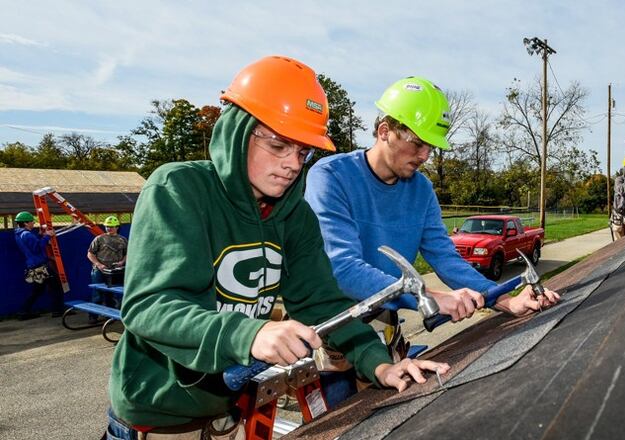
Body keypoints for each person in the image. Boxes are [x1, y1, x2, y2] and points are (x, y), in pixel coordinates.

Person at [106, 57, 448, 440]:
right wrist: (249, 335)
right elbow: (148, 306)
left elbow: (323, 301)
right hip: (157, 414)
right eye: (278, 144)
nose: (291, 164)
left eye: (302, 153)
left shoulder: (294, 216)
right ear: (239, 130)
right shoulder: (179, 190)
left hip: (224, 411)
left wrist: (379, 365)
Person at [304, 76, 560, 408]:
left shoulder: (421, 190)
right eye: (418, 143)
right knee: (346, 423)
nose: (425, 155)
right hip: (337, 329)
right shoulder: (331, 177)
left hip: (384, 323)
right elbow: (342, 268)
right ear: (385, 131)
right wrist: (428, 297)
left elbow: (446, 259)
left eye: (431, 146)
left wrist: (505, 300)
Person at [13, 211, 64, 320]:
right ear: (26, 223)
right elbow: (37, 248)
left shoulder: (19, 234)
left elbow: (31, 246)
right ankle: (58, 311)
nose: (33, 223)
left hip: (33, 266)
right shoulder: (27, 234)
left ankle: (23, 311)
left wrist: (40, 236)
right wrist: (47, 236)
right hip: (41, 266)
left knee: (37, 290)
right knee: (56, 286)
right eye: (31, 221)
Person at [86, 215, 127, 323]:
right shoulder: (99, 239)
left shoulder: (122, 240)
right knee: (97, 293)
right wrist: (99, 265)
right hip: (99, 271)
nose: (109, 228)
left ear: (117, 227)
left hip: (114, 272)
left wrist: (122, 262)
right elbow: (90, 254)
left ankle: (111, 315)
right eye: (107, 226)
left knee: (111, 294)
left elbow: (127, 254)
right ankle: (93, 316)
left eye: (112, 226)